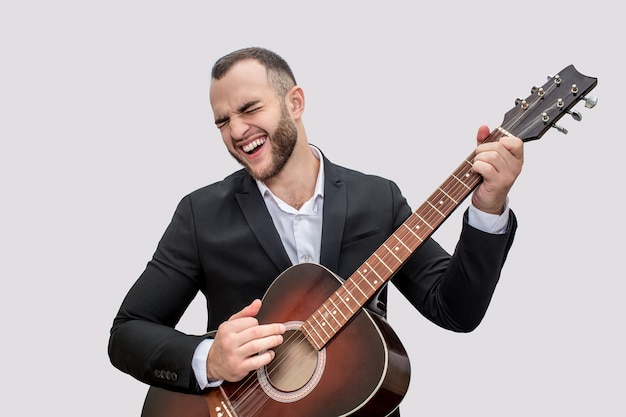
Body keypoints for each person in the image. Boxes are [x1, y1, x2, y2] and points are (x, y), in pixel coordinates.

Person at [108, 47, 523, 415]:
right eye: (223, 121)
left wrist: (488, 210)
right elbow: (128, 332)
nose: (236, 131)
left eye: (250, 109)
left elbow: (456, 310)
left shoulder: (377, 199)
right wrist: (208, 359)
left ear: (295, 102)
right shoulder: (202, 215)